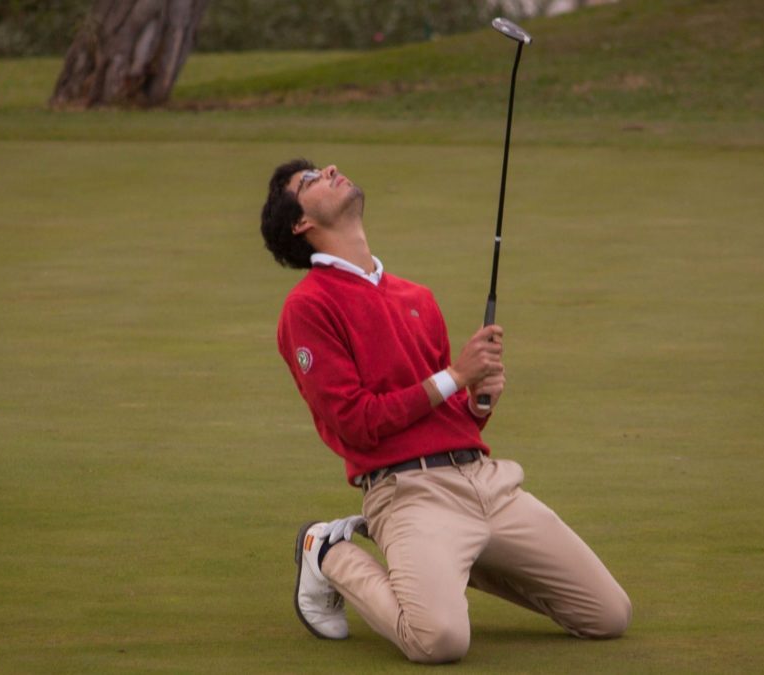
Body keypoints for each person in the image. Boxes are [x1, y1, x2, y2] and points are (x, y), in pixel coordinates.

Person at [260, 158, 631, 664]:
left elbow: (444, 410)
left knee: (608, 616)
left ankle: (447, 563)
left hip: (486, 483)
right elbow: (356, 424)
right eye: (309, 181)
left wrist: (476, 401)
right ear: (301, 223)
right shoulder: (308, 307)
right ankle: (327, 552)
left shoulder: (416, 296)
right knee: (439, 641)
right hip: (409, 494)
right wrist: (455, 376)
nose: (329, 169)